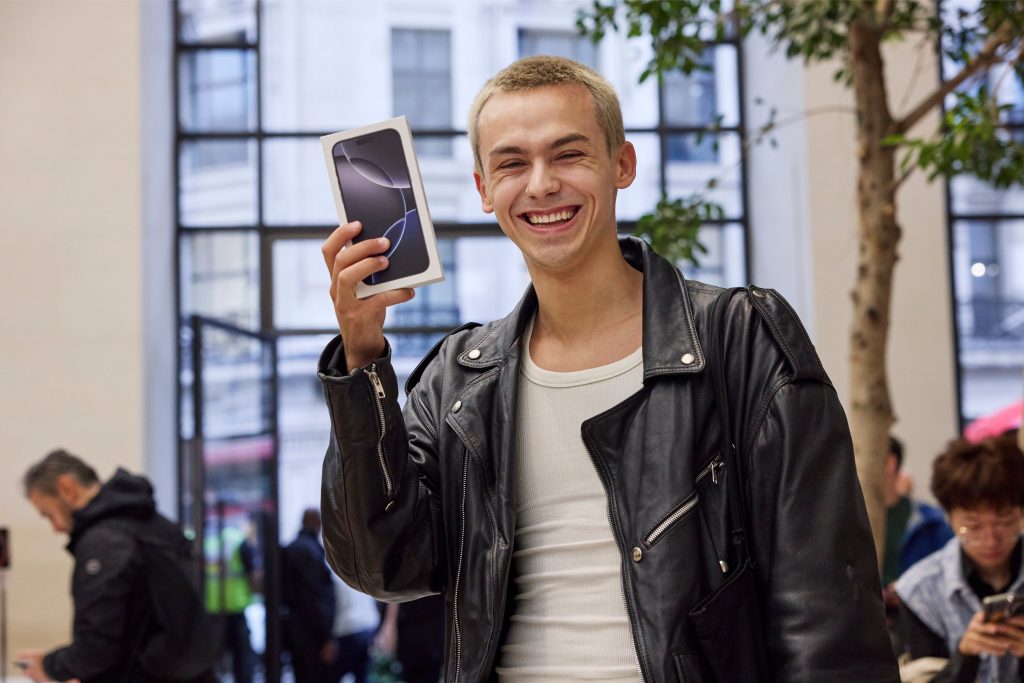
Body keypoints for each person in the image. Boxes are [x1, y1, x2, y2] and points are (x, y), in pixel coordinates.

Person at [318, 55, 898, 681]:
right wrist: (360, 359)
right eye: (512, 163)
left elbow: (827, 613)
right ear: (484, 189)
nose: (541, 184)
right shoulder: (461, 383)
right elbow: (383, 565)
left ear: (622, 164)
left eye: (569, 154)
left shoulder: (740, 340)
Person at [16, 449, 216, 683]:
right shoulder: (154, 525)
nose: (56, 528)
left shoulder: (106, 542)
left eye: (48, 515)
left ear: (67, 489)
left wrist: (50, 667)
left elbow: (97, 646)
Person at [896, 433, 1024, 682]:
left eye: (1005, 522)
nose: (990, 540)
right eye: (973, 527)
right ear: (948, 518)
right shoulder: (920, 590)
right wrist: (965, 656)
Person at [884, 435, 954, 587]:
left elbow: (947, 573)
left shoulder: (930, 521)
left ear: (890, 463)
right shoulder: (846, 520)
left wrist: (909, 588)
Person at [204, 509, 259, 683]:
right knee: (242, 661)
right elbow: (253, 576)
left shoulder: (207, 541)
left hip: (212, 610)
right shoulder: (238, 540)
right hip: (235, 609)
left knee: (212, 662)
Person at [282, 508, 336, 683]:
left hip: (294, 628)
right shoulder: (312, 551)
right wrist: (326, 636)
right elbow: (316, 597)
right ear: (319, 524)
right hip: (312, 633)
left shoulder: (291, 548)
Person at [329, 572, 380, 683]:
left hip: (347, 628)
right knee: (362, 676)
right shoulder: (361, 567)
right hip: (369, 625)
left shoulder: (331, 567)